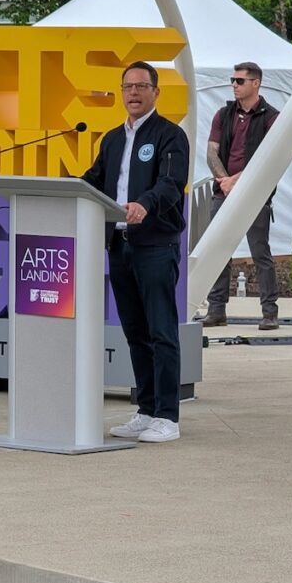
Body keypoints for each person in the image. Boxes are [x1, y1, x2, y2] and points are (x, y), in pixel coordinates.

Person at [82, 61, 190, 443]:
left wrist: (144, 202)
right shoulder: (111, 139)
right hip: (119, 246)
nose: (133, 93)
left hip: (155, 246)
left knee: (161, 331)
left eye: (141, 86)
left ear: (156, 92)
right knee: (135, 332)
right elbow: (94, 181)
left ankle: (167, 416)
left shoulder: (170, 136)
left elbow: (172, 182)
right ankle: (146, 410)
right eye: (128, 86)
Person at [196, 61, 280, 330]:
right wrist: (224, 181)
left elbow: (268, 159)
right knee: (218, 251)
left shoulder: (271, 116)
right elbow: (211, 152)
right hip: (224, 192)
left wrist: (237, 182)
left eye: (240, 81)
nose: (234, 84)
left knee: (260, 253)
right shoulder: (224, 114)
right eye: (233, 80)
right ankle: (217, 309)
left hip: (255, 195)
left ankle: (270, 312)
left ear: (256, 83)